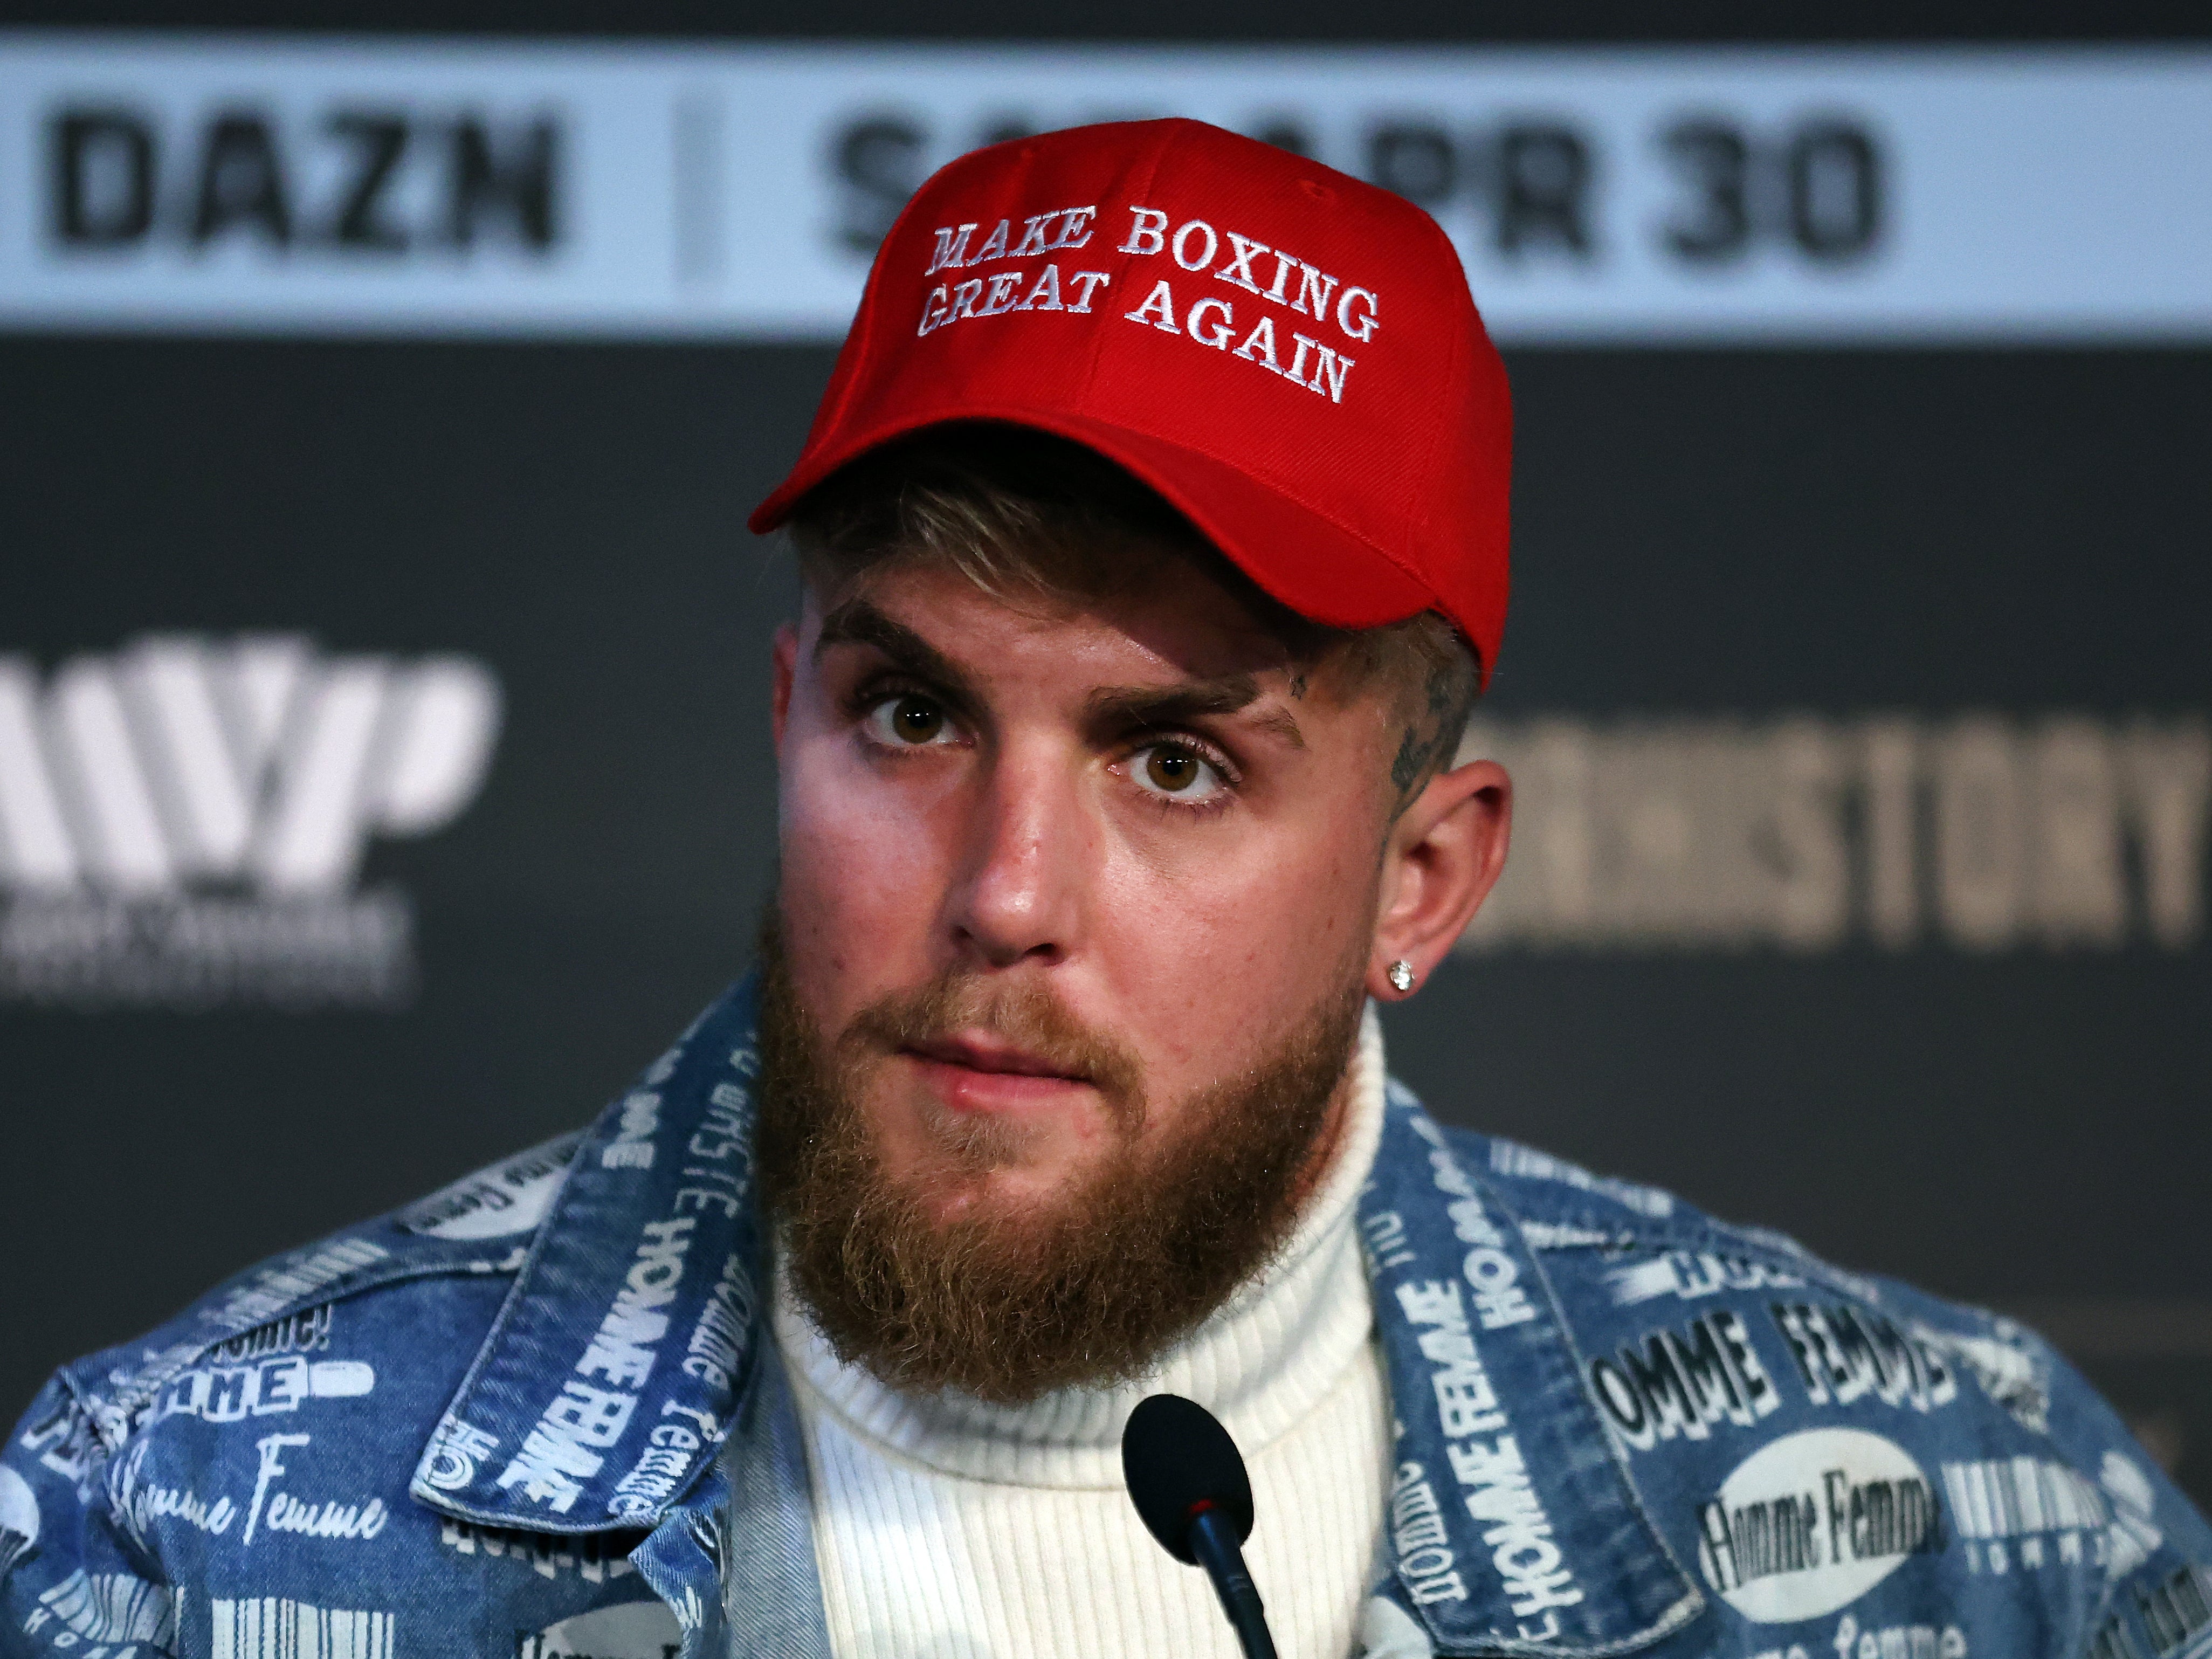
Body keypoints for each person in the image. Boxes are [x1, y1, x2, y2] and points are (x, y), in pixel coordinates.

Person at [4, 116, 2204, 1659]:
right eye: (913, 716)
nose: (1005, 892)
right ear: (784, 715)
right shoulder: (170, 1533)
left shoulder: (1967, 1528)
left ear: (1418, 877)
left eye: (1175, 758)